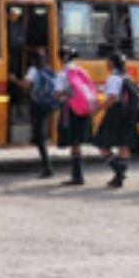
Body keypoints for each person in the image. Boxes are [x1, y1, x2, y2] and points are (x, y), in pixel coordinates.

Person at [93, 52, 136, 189]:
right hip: (126, 114)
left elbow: (112, 98)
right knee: (123, 145)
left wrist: (99, 108)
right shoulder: (127, 77)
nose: (106, 64)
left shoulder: (113, 78)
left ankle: (118, 172)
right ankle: (119, 176)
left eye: (108, 61)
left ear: (111, 63)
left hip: (114, 113)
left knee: (102, 144)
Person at [10, 49, 55, 178]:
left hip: (38, 105)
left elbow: (25, 85)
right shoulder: (48, 68)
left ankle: (48, 167)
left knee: (39, 136)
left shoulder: (33, 70)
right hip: (48, 104)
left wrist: (14, 80)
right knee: (39, 133)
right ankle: (39, 141)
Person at [55, 45, 93, 186]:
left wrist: (63, 95)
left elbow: (58, 93)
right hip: (83, 109)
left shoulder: (62, 74)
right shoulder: (81, 71)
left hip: (69, 109)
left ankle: (77, 176)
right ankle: (77, 175)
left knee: (74, 142)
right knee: (78, 141)